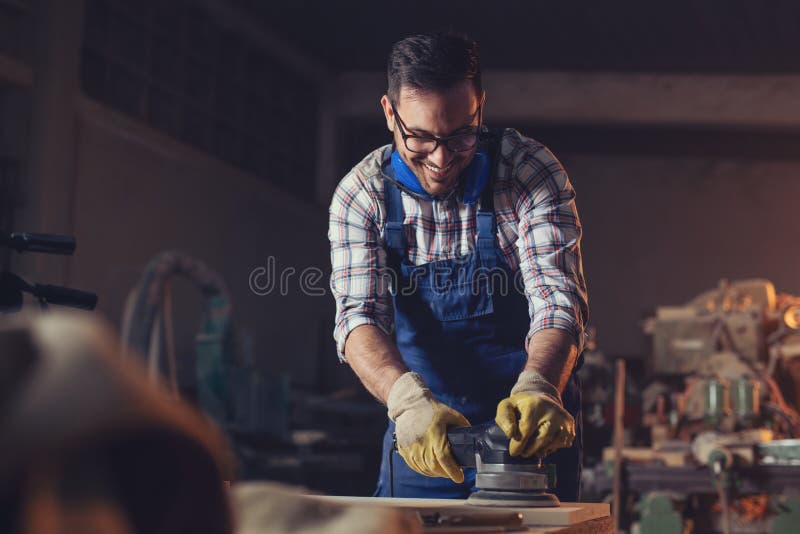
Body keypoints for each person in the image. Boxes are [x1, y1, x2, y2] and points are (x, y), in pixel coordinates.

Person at [328, 31, 589, 501]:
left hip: (529, 435)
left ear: (480, 107)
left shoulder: (529, 173)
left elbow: (557, 300)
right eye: (421, 138)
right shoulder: (361, 195)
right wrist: (406, 402)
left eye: (460, 136)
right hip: (426, 436)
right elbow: (359, 318)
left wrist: (539, 385)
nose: (442, 159)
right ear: (390, 113)